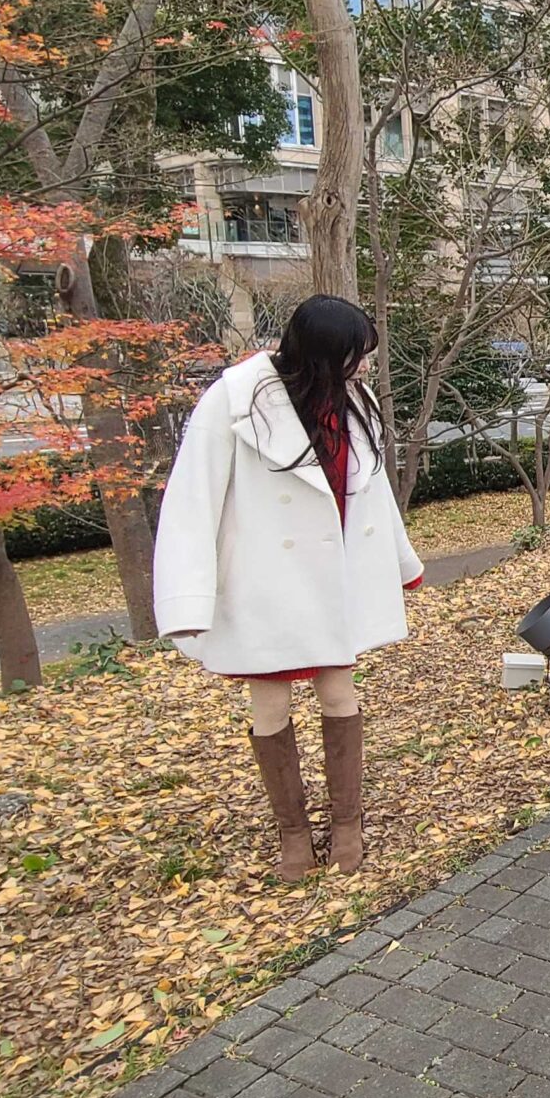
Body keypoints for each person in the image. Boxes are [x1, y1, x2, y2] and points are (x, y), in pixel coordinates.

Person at [154, 295, 424, 877]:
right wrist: (187, 598)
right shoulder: (233, 399)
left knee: (339, 694)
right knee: (270, 704)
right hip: (264, 584)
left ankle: (347, 825)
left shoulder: (355, 399)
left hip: (334, 580)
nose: (366, 366)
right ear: (324, 354)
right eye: (357, 354)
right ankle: (294, 835)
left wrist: (402, 563)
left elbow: (372, 490)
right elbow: (192, 501)